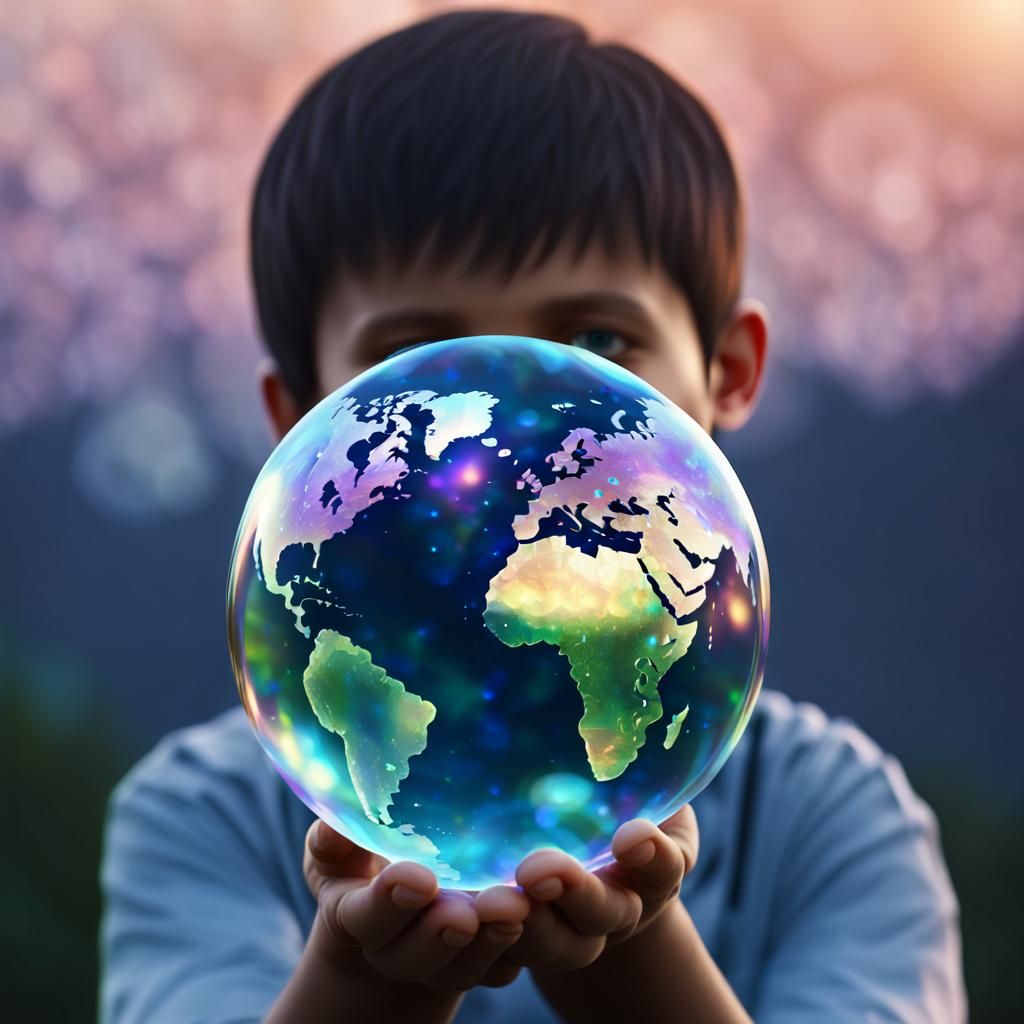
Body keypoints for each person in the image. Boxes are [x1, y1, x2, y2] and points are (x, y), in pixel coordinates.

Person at [99, 9, 966, 1023]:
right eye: (413, 362)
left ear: (727, 371)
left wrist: (628, 957)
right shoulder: (201, 817)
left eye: (597, 342)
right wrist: (369, 978)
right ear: (296, 420)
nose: (512, 422)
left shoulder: (833, 820)